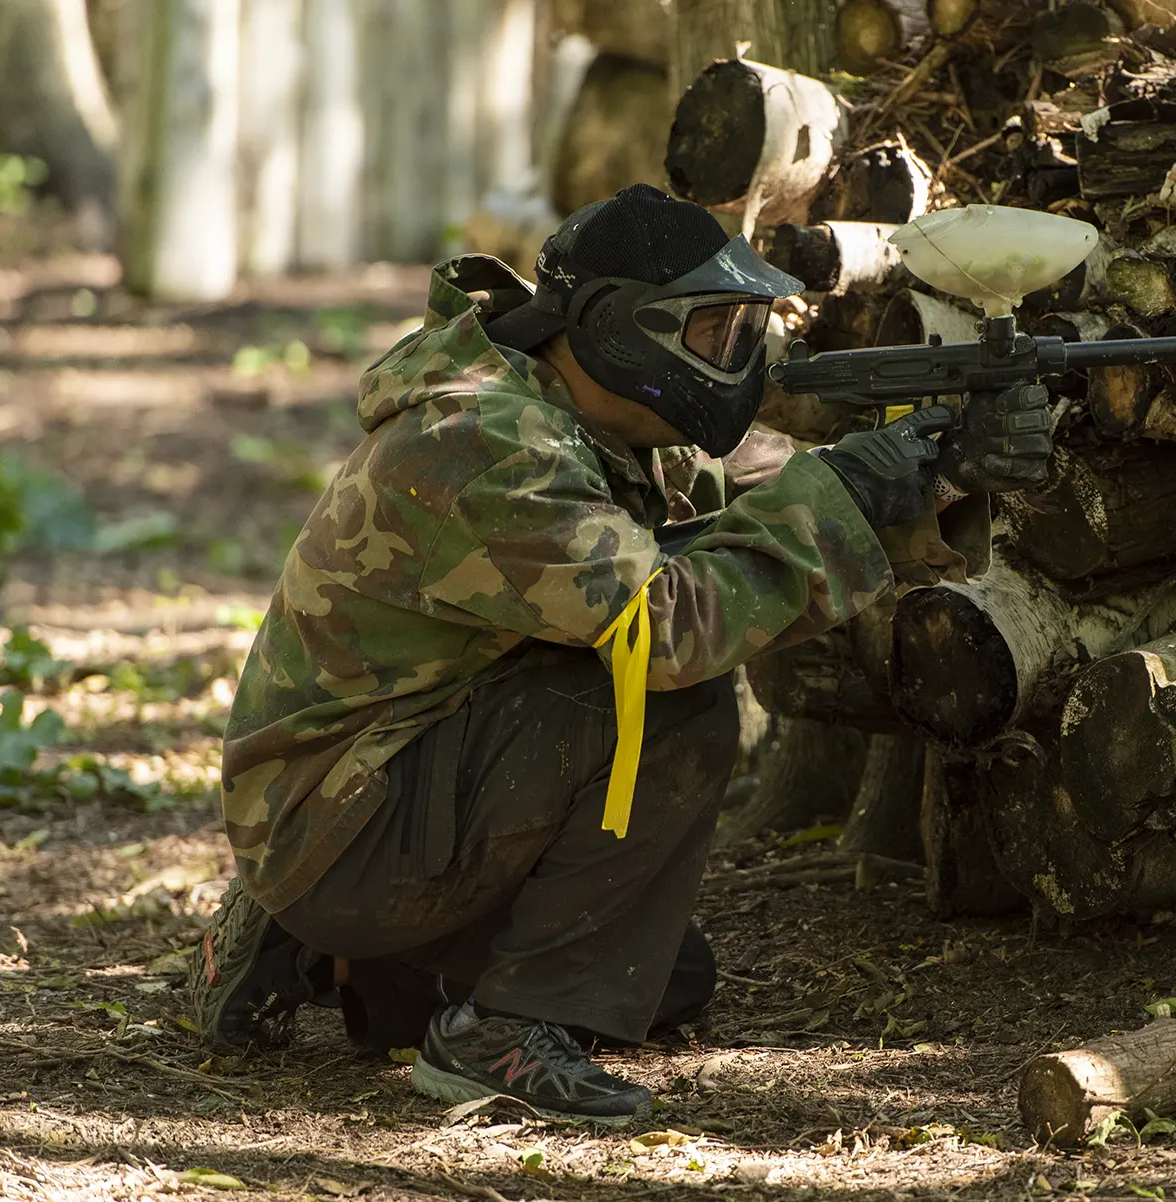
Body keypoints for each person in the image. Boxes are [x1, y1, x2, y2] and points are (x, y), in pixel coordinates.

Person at [189, 185, 1052, 1124]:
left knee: (659, 982)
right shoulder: (484, 443)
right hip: (346, 821)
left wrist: (939, 467)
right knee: (666, 698)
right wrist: (851, 494)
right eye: (713, 333)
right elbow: (672, 627)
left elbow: (778, 491)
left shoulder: (602, 420)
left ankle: (308, 948)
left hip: (378, 792)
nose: (736, 360)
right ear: (612, 330)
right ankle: (494, 1037)